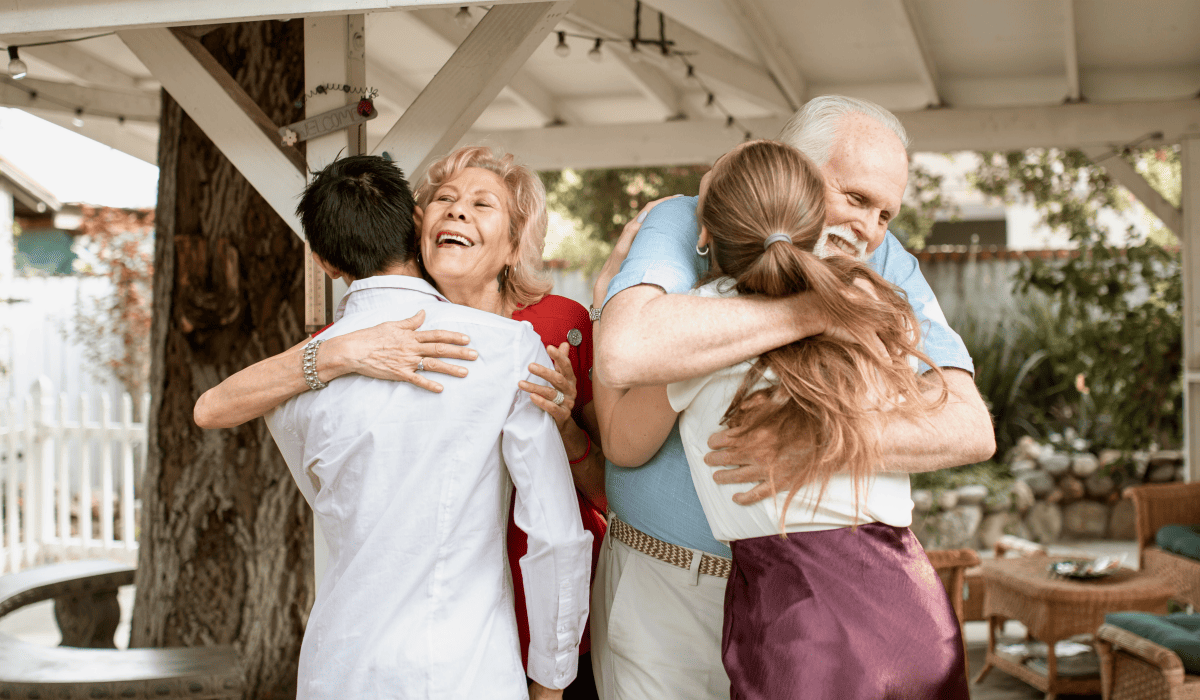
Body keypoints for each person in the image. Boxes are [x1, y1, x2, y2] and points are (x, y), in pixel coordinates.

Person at [194, 146, 664, 699]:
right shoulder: (490, 350)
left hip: (348, 664)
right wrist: (548, 685)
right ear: (415, 225)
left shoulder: (297, 383)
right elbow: (556, 537)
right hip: (471, 660)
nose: (458, 211)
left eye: (481, 203)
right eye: (444, 198)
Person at [587, 96, 995, 699]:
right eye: (855, 198)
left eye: (886, 213)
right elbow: (626, 351)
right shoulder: (688, 218)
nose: (870, 230)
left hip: (801, 615)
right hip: (670, 591)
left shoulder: (884, 266)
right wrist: (813, 309)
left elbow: (968, 427)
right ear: (789, 167)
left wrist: (816, 440)